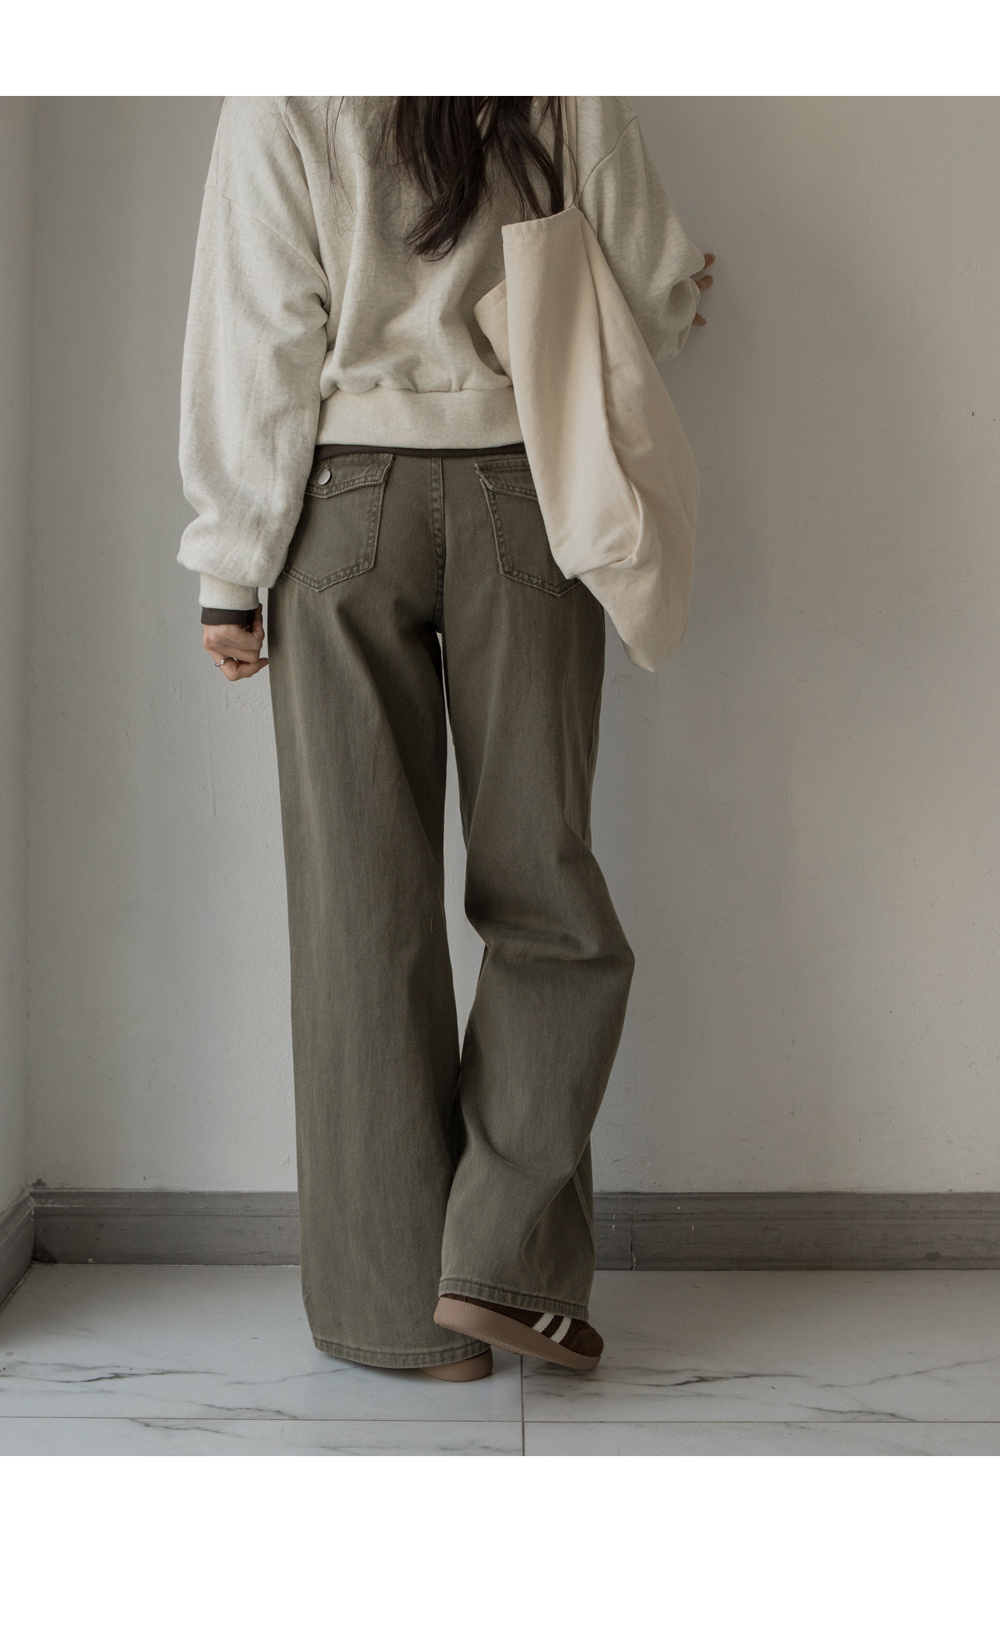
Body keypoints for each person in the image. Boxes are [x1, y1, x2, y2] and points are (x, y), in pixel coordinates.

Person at [178, 96, 714, 1381]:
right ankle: (499, 1263)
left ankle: (392, 1315)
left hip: (337, 514)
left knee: (358, 919)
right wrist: (689, 290)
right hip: (521, 495)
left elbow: (259, 326)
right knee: (544, 889)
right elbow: (650, 281)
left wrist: (227, 568)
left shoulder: (283, 82)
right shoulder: (551, 62)